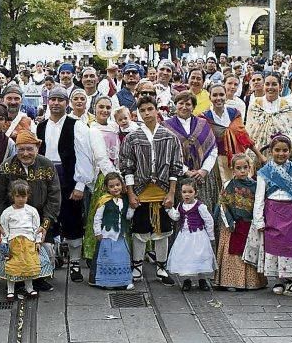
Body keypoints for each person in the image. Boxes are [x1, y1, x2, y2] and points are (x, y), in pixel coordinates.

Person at [35, 86, 101, 283]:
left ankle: (74, 263)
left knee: (72, 220)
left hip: (69, 178)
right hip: (46, 179)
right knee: (47, 220)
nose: (56, 103)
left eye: (60, 100)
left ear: (66, 103)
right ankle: (49, 262)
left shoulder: (76, 125)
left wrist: (80, 184)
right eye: (53, 99)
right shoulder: (40, 126)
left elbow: (84, 155)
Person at [119, 96, 184, 283]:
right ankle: (137, 267)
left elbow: (175, 167)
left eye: (150, 109)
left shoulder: (170, 137)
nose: (147, 113)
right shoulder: (132, 138)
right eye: (143, 111)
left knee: (163, 231)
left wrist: (172, 192)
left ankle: (162, 267)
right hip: (140, 190)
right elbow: (127, 167)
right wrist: (131, 193)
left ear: (157, 110)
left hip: (163, 190)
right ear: (138, 114)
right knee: (140, 231)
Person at [244, 136, 292, 299]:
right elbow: (259, 197)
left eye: (285, 150)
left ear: (290, 152)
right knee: (275, 247)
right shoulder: (265, 172)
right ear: (271, 151)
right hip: (273, 213)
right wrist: (259, 220)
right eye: (277, 150)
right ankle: (279, 281)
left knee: (291, 247)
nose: (281, 153)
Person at [0, 179, 51, 300]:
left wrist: (38, 241)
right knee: (12, 266)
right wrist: (4, 244)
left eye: (23, 196)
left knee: (28, 266)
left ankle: (29, 287)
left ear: (28, 196)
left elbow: (37, 228)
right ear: (12, 196)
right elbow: (4, 230)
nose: (21, 199)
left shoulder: (32, 211)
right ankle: (10, 289)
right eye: (18, 196)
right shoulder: (7, 213)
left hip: (29, 243)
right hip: (14, 243)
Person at [214, 152, 265, 291]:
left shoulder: (256, 185)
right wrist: (230, 222)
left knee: (249, 252)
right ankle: (231, 282)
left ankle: (251, 282)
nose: (242, 171)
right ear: (232, 169)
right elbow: (223, 204)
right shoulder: (229, 185)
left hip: (250, 225)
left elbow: (260, 204)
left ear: (250, 168)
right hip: (232, 226)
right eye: (238, 168)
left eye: (245, 167)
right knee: (233, 255)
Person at [164, 91, 219, 210]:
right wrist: (186, 171)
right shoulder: (166, 127)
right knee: (183, 212)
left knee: (205, 211)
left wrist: (204, 170)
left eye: (188, 104)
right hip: (179, 178)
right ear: (175, 105)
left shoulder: (203, 124)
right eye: (181, 103)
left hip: (202, 178)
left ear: (193, 107)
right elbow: (166, 155)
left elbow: (212, 149)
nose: (184, 107)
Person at [166, 179, 216, 291]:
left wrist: (211, 235)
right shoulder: (180, 205)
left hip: (198, 236)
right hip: (184, 237)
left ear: (195, 193)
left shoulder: (200, 206)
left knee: (200, 256)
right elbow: (176, 217)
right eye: (184, 192)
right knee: (186, 257)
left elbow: (209, 220)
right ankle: (186, 280)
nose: (187, 194)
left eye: (190, 192)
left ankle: (202, 279)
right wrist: (169, 209)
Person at [90, 172, 133, 290]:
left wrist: (132, 209)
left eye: (118, 185)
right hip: (108, 235)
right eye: (112, 186)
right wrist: (97, 232)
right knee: (108, 259)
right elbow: (97, 218)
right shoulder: (104, 201)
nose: (115, 188)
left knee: (122, 258)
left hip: (120, 235)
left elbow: (127, 216)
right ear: (106, 188)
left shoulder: (124, 201)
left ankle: (125, 280)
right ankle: (108, 281)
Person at [245, 73, 292, 153]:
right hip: (256, 154)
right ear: (263, 86)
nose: (270, 87)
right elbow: (249, 132)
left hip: (280, 154)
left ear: (280, 87)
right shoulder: (255, 105)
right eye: (267, 84)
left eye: (274, 84)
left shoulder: (287, 107)